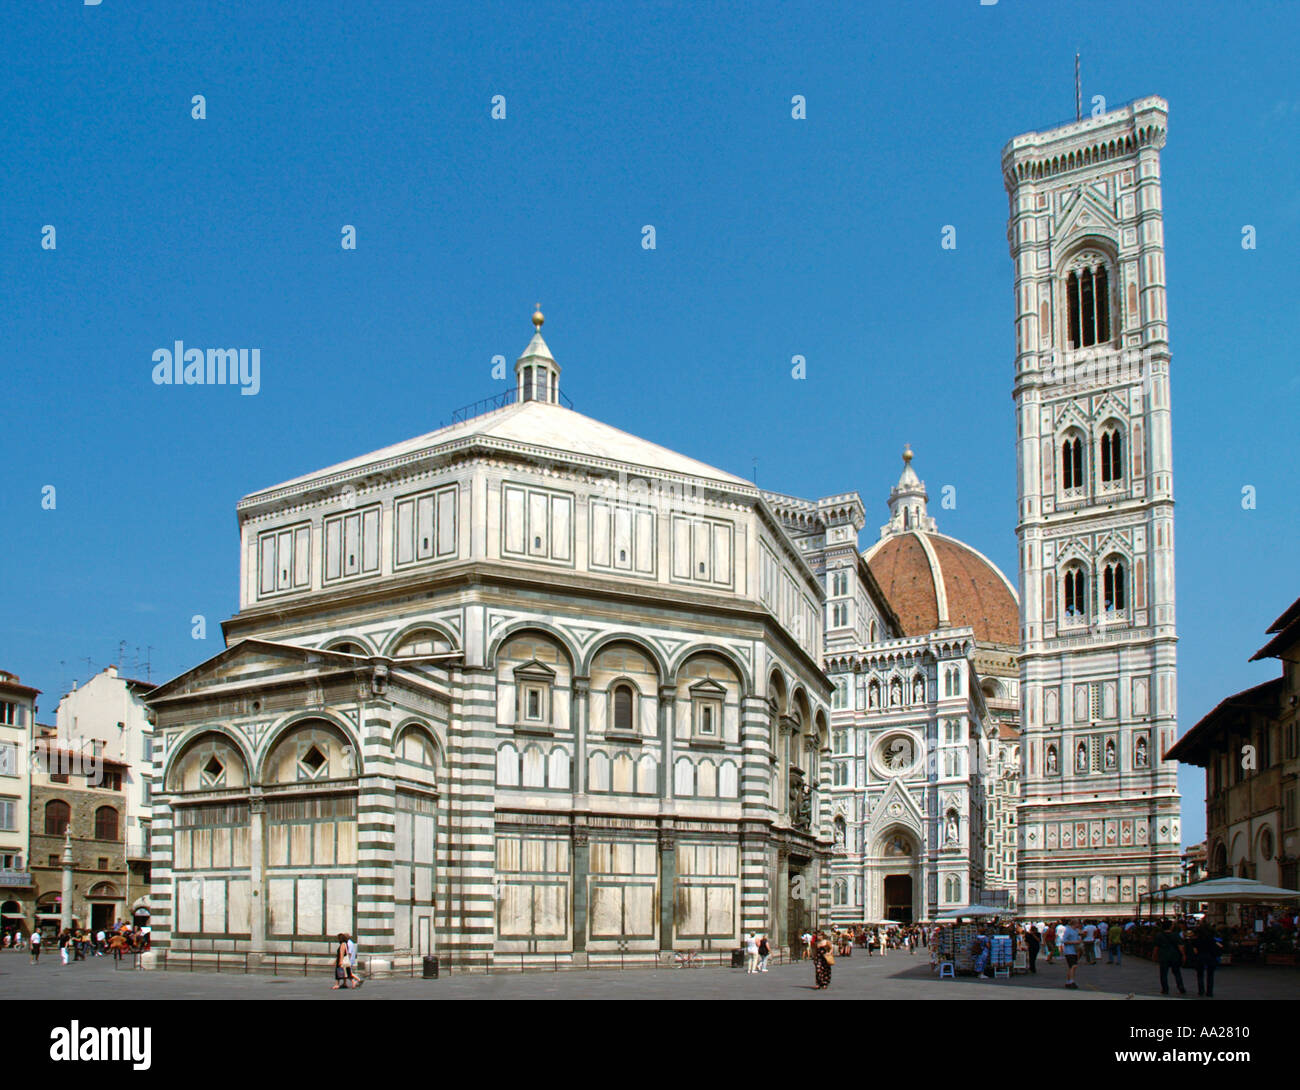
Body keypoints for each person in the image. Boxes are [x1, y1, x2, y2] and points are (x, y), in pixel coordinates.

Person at [1153, 919, 1186, 996]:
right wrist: (1183, 955)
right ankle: (1181, 987)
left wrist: (1154, 955)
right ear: (1170, 927)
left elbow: (1156, 947)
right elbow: (1180, 946)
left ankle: (1165, 989)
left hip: (1163, 956)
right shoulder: (1176, 935)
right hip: (1174, 956)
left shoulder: (1159, 935)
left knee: (1163, 973)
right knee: (1177, 972)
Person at [1188, 923, 1221, 998]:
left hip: (1200, 957)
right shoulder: (1212, 939)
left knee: (1200, 974)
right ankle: (1209, 991)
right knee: (1210, 975)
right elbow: (1218, 948)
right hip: (1211, 957)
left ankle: (1201, 990)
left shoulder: (1196, 940)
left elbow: (1195, 950)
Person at [1060, 919, 1081, 989]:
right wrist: (1074, 942)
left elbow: (1078, 939)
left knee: (1071, 967)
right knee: (1073, 966)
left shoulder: (1076, 931)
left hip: (1074, 951)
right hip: (1069, 951)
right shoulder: (1068, 930)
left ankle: (1068, 981)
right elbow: (1064, 940)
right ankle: (1071, 981)